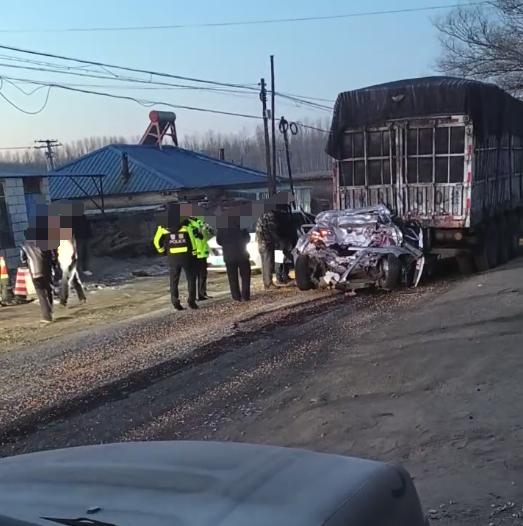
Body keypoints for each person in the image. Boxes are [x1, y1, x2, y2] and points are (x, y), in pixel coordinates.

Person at [153, 205, 198, 310]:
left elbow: (156, 241)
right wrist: (194, 252)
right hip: (186, 256)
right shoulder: (187, 224)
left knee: (174, 280)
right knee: (191, 278)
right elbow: (192, 240)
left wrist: (161, 250)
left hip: (172, 256)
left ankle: (175, 302)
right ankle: (191, 302)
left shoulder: (163, 226)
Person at [20, 219, 57, 323]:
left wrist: (28, 266)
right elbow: (53, 256)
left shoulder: (24, 245)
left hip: (35, 272)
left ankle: (47, 316)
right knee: (49, 289)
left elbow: (23, 260)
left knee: (41, 294)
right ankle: (51, 310)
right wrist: (53, 266)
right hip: (47, 270)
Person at [216, 215, 251, 302]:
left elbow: (219, 241)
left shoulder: (222, 227)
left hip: (229, 256)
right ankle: (245, 296)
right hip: (242, 254)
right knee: (245, 276)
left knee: (232, 277)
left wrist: (226, 245)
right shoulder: (240, 224)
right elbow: (247, 238)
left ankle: (236, 296)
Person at [57, 216, 87, 307]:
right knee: (74, 278)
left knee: (65, 279)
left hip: (69, 259)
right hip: (66, 259)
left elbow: (70, 248)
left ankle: (63, 301)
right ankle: (82, 297)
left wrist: (70, 258)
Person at [190, 216, 213, 300]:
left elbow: (208, 235)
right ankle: (196, 295)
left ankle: (202, 294)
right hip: (196, 253)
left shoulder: (200, 222)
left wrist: (209, 229)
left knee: (203, 275)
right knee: (195, 276)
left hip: (203, 253)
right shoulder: (188, 223)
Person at [72, 208, 92, 275]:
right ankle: (76, 269)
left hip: (86, 237)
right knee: (78, 254)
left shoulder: (84, 217)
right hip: (78, 238)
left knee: (86, 254)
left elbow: (87, 227)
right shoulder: (73, 218)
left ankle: (85, 269)